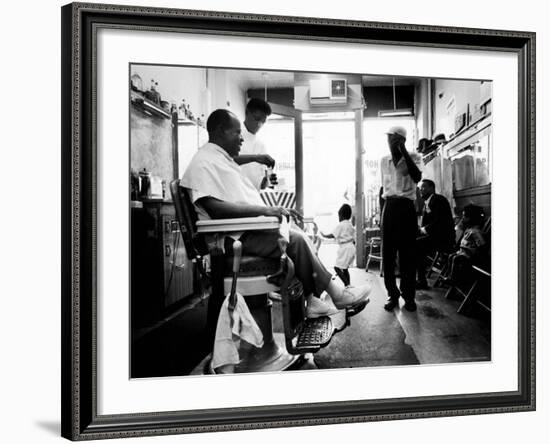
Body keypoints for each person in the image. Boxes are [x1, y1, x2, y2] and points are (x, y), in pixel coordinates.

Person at [181, 109, 370, 319]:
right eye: (236, 133)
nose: (242, 138)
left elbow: (236, 162)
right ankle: (337, 294)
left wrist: (258, 159)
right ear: (219, 131)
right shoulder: (203, 162)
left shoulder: (218, 159)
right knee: (295, 240)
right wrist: (266, 210)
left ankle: (313, 299)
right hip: (229, 239)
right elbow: (215, 209)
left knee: (294, 230)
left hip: (242, 232)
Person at [380, 126, 422, 312]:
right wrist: (383, 213)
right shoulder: (383, 160)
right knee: (388, 255)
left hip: (406, 208)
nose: (390, 142)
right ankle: (392, 294)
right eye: (389, 138)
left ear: (402, 140)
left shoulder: (414, 157)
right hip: (389, 207)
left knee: (408, 255)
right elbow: (384, 188)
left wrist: (403, 151)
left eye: (394, 139)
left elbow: (417, 176)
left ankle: (409, 296)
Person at [415, 179, 455, 289]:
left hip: (444, 238)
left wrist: (423, 230)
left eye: (424, 187)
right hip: (435, 236)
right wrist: (420, 230)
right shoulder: (428, 202)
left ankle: (421, 281)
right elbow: (428, 223)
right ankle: (416, 277)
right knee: (413, 241)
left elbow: (440, 222)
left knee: (417, 246)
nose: (421, 190)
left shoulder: (438, 200)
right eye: (420, 188)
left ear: (431, 188)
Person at [236, 98, 275, 190]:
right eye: (256, 119)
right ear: (247, 113)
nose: (259, 125)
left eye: (262, 122)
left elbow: (260, 185)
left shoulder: (260, 146)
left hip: (251, 199)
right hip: (231, 197)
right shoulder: (233, 135)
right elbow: (225, 159)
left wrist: (267, 179)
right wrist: (254, 158)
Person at [447, 204, 486, 286]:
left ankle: (453, 279)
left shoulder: (476, 231)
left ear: (471, 218)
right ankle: (450, 276)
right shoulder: (468, 229)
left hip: (470, 256)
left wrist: (476, 255)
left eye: (464, 216)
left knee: (456, 259)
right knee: (451, 256)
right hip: (463, 253)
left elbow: (482, 245)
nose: (462, 218)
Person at [321, 204, 356, 287]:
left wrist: (323, 235)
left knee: (337, 268)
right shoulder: (350, 225)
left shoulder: (341, 225)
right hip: (351, 247)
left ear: (341, 215)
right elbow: (354, 239)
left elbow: (332, 235)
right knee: (345, 268)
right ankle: (348, 285)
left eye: (339, 216)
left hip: (345, 248)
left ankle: (347, 284)